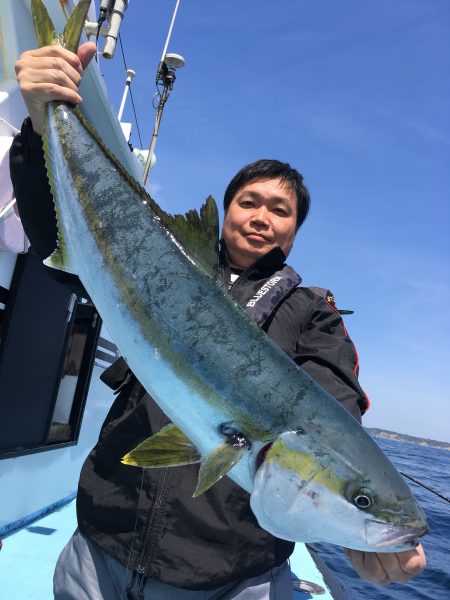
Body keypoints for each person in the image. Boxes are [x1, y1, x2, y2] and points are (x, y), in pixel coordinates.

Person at [10, 42, 426, 599]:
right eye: (249, 202)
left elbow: (332, 417)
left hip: (219, 577)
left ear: (294, 231)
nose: (261, 218)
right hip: (101, 545)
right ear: (226, 210)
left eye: (280, 211)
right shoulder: (158, 263)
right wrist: (40, 125)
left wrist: (357, 533)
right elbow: (54, 244)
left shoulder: (314, 315)